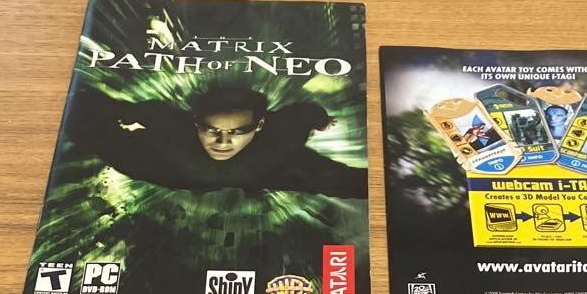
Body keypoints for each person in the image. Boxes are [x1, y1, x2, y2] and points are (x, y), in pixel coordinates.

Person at [65, 83, 367, 198]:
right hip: (176, 170)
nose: (222, 142)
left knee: (340, 181)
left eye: (237, 131)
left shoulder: (281, 139)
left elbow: (304, 113)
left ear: (260, 125)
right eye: (211, 130)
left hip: (265, 171)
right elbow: (149, 113)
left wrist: (321, 121)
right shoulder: (170, 135)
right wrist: (123, 113)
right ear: (195, 122)